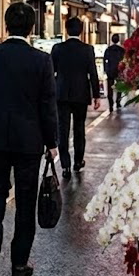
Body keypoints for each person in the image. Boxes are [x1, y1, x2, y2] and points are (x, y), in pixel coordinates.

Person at [0, 2, 58, 276]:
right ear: (32, 28)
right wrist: (52, 142)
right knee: (26, 199)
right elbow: (47, 104)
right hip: (29, 139)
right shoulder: (41, 60)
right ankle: (19, 263)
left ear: (6, 25)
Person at [50, 17, 100, 179]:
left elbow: (51, 73)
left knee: (62, 130)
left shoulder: (58, 49)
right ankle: (78, 162)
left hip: (62, 93)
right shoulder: (87, 49)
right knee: (79, 129)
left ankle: (65, 165)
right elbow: (93, 73)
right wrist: (96, 95)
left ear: (66, 30)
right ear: (81, 30)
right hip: (81, 94)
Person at [103, 34, 126, 113]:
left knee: (110, 88)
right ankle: (118, 102)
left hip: (110, 71)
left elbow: (105, 61)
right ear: (118, 40)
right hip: (119, 71)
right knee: (119, 87)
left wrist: (105, 70)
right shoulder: (122, 50)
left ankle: (111, 104)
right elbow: (124, 61)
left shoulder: (108, 50)